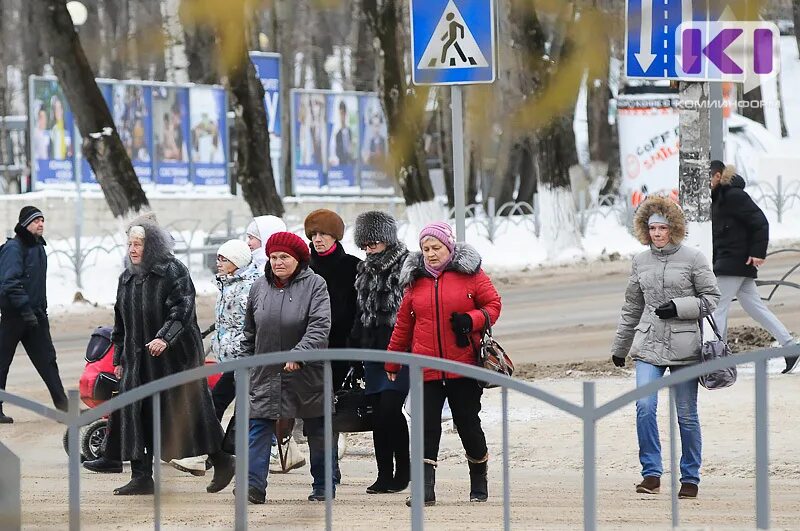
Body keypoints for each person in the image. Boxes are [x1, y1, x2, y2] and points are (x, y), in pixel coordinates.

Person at [105, 217, 234, 495]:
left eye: (138, 244)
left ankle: (222, 459)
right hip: (137, 360)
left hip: (175, 359)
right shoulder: (127, 276)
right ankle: (141, 476)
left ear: (152, 244)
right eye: (129, 244)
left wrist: (164, 337)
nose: (132, 249)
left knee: (188, 414)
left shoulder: (172, 270)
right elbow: (120, 322)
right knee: (137, 412)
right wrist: (118, 359)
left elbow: (183, 309)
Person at [611, 196, 721, 500]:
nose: (657, 233)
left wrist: (679, 307)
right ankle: (651, 473)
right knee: (644, 407)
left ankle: (690, 477)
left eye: (662, 227)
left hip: (686, 347)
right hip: (648, 346)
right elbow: (632, 305)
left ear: (674, 227)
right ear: (645, 230)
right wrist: (620, 346)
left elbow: (712, 298)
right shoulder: (640, 261)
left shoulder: (694, 258)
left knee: (686, 415)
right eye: (652, 228)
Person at [385, 222, 502, 506]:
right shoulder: (415, 280)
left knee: (467, 423)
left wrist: (471, 320)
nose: (431, 254)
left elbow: (494, 305)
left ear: (448, 247)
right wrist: (392, 360)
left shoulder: (471, 275)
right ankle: (425, 489)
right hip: (426, 367)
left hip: (464, 365)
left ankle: (478, 478)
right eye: (426, 249)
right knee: (425, 426)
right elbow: (404, 323)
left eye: (436, 248)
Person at [241, 231, 335, 504]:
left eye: (284, 257)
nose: (278, 262)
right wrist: (245, 363)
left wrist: (299, 354)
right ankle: (253, 486)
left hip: (307, 372)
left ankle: (323, 485)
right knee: (258, 426)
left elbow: (320, 327)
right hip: (266, 372)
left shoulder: (316, 285)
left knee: (317, 430)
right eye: (273, 257)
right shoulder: (259, 287)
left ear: (298, 259)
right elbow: (250, 332)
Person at [170, 239, 260, 476]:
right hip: (230, 357)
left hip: (244, 359)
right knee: (218, 404)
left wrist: (244, 352)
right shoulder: (227, 284)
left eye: (224, 259)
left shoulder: (249, 288)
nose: (218, 263)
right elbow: (223, 325)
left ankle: (209, 455)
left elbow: (248, 326)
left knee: (221, 404)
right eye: (218, 258)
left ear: (237, 262)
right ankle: (210, 454)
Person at [709, 161, 799, 374]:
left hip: (734, 260)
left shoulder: (733, 196)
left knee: (716, 308)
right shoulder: (718, 198)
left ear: (719, 175)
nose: (705, 182)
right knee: (755, 308)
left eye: (708, 177)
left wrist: (758, 252)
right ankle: (790, 346)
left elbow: (760, 222)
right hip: (731, 260)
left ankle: (717, 358)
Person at [349, 211, 410, 494]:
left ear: (387, 237)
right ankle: (384, 473)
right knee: (378, 413)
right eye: (364, 242)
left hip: (399, 349)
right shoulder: (363, 269)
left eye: (374, 240)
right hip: (371, 349)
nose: (369, 246)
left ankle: (404, 471)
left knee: (390, 409)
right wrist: (355, 349)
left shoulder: (407, 264)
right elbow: (360, 312)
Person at [305, 208, 360, 482]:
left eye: (323, 234)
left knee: (333, 410)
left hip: (341, 349)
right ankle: (325, 472)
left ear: (335, 236)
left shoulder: (352, 266)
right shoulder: (303, 267)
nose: (318, 239)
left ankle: (329, 471)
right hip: (308, 350)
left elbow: (359, 311)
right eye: (313, 234)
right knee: (315, 414)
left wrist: (354, 347)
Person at [0, 206, 68, 423]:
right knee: (2, 363)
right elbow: (10, 283)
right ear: (24, 224)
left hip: (35, 316)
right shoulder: (13, 248)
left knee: (48, 360)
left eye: (42, 220)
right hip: (14, 317)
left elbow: (38, 285)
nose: (40, 224)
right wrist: (25, 310)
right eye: (35, 220)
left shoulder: (39, 247)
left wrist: (40, 310)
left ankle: (64, 408)